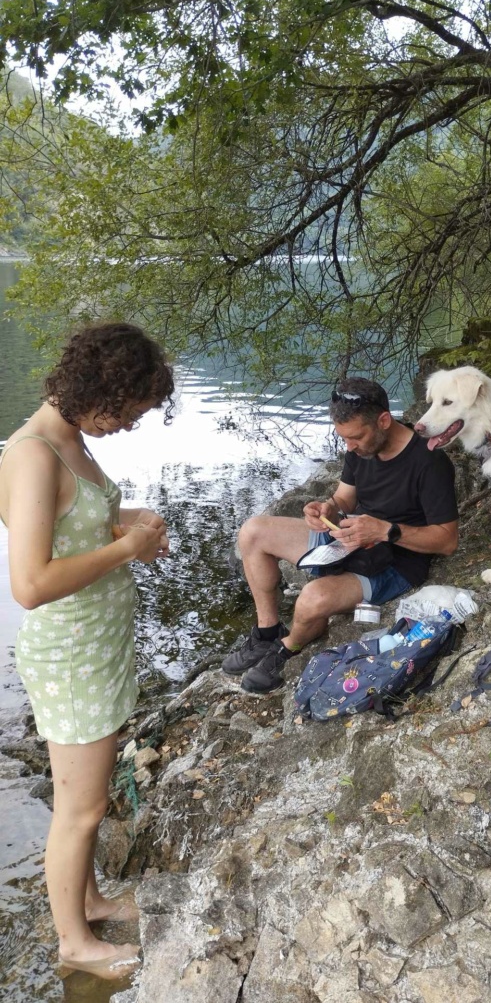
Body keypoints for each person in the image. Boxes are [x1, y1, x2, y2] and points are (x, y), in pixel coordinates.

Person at [0, 322, 174, 981]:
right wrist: (124, 548)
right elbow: (31, 582)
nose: (127, 426)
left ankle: (93, 897)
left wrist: (128, 525)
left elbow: (74, 529)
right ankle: (74, 941)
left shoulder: (70, 440)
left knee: (90, 798)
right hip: (70, 659)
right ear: (99, 390)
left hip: (96, 649)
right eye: (126, 412)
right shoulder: (33, 453)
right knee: (80, 808)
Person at [223, 377, 459, 693]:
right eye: (343, 438)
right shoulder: (359, 448)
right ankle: (266, 632)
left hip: (395, 563)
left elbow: (447, 541)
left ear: (384, 421)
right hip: (347, 540)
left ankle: (288, 646)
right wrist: (327, 508)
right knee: (253, 532)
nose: (349, 446)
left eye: (356, 437)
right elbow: (345, 498)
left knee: (311, 599)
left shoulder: (429, 462)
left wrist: (387, 531)